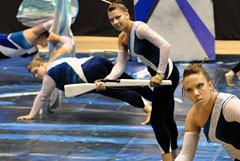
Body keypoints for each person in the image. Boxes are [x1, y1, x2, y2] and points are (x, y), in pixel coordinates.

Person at [96, 0, 180, 161]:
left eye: (118, 17)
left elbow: (165, 46)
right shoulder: (122, 38)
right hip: (158, 75)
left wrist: (160, 74)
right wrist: (107, 80)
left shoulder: (139, 28)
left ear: (127, 14)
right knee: (166, 117)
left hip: (167, 74)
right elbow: (119, 66)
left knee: (157, 119)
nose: (115, 22)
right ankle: (173, 159)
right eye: (112, 20)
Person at [17, 33, 153, 125]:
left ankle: (148, 108)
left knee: (118, 91)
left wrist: (31, 115)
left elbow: (42, 96)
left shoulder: (49, 74)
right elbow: (69, 41)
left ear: (41, 64)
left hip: (91, 73)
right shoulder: (58, 56)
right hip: (96, 61)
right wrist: (56, 37)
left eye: (36, 71)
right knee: (128, 81)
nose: (37, 75)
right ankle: (156, 99)